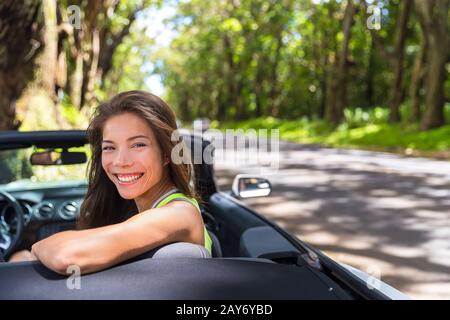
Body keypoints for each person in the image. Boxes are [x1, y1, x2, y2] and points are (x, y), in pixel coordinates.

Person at [8, 90, 212, 274]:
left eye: (138, 145)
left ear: (167, 153)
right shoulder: (134, 209)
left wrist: (33, 250)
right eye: (109, 147)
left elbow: (67, 257)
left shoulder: (179, 213)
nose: (120, 161)